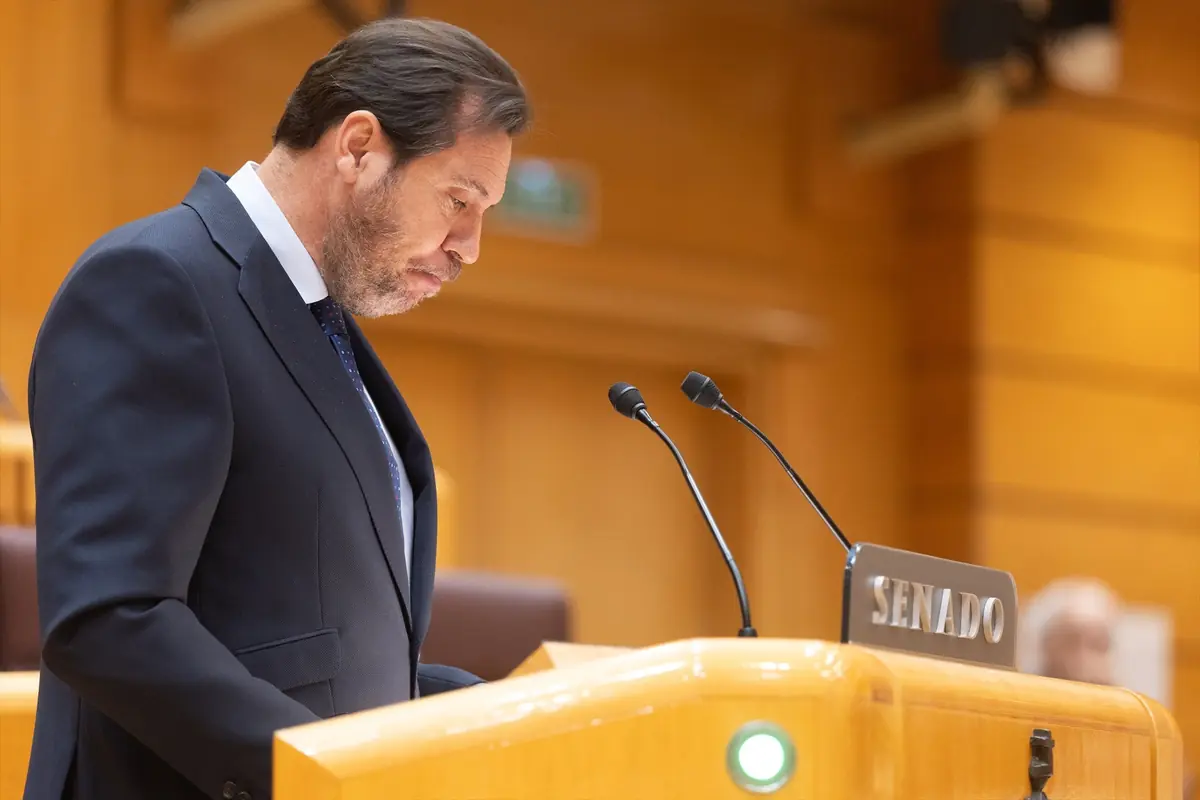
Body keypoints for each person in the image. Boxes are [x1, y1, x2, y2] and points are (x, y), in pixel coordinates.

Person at [24, 18, 529, 800]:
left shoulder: (316, 323)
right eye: (459, 198)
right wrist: (323, 778)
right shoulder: (158, 282)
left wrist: (492, 714)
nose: (470, 245)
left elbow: (300, 644)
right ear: (359, 145)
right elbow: (110, 617)